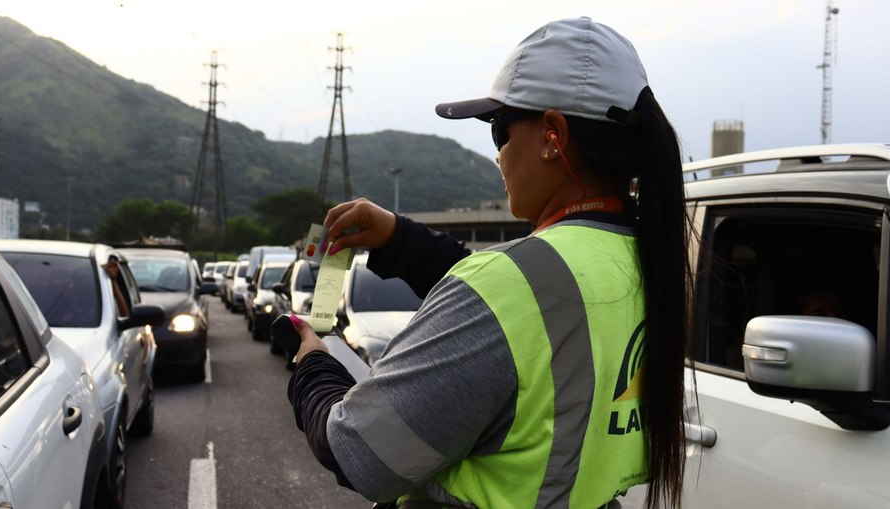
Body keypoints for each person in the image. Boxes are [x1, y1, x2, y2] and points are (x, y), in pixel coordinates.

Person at [287, 17, 690, 509]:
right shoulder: (646, 257)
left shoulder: (512, 284)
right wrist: (399, 237)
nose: (497, 155)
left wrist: (313, 366)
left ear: (552, 135)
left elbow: (358, 453)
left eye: (499, 130)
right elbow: (530, 310)